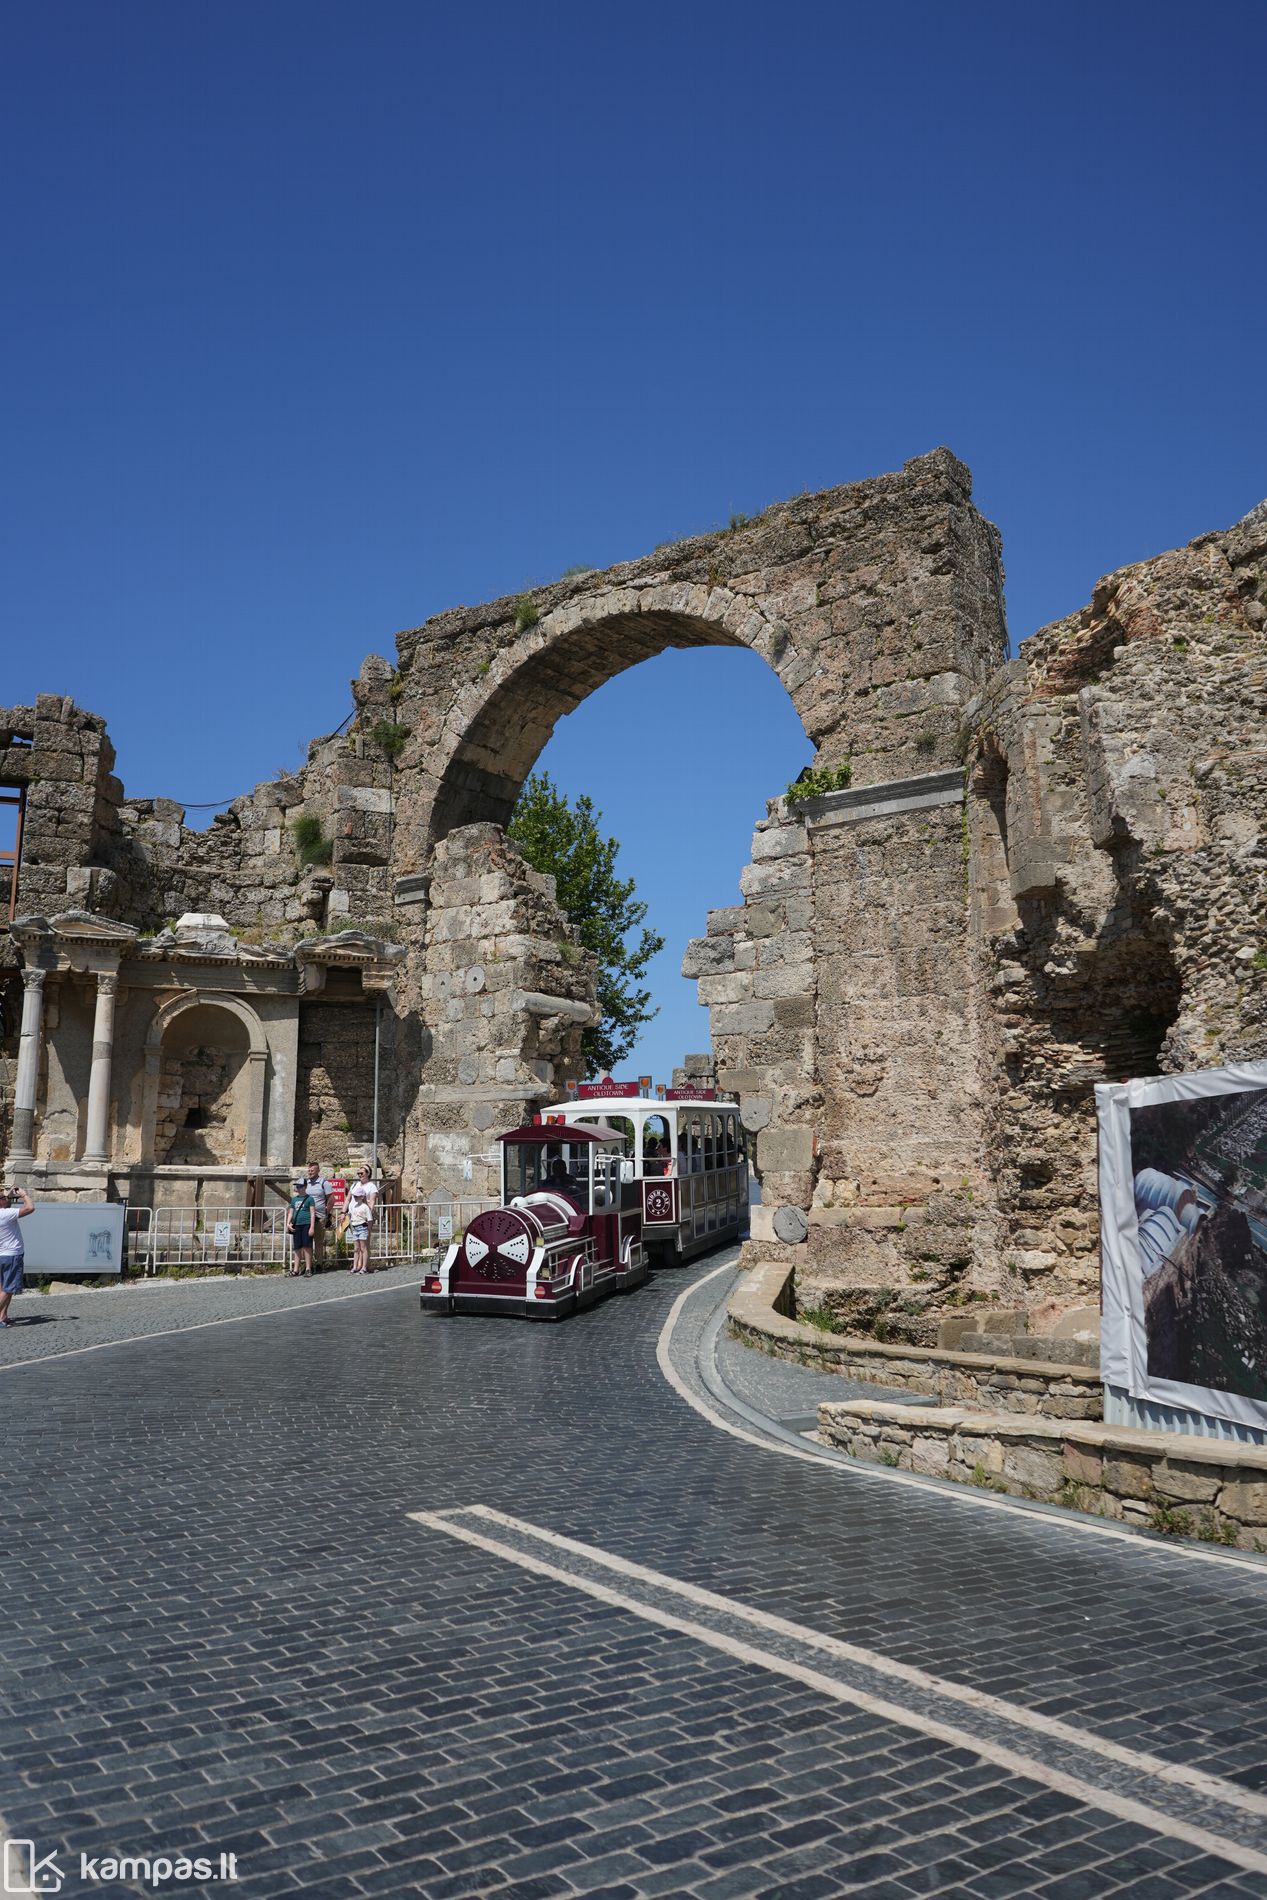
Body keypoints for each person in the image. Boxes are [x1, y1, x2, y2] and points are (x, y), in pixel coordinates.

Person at [0, 1184, 35, 1327]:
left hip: (1, 1255)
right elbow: (30, 1208)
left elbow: (6, 1203)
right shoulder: (5, 1214)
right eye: (4, 1197)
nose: (7, 1199)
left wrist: (7, 1195)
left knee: (2, 1288)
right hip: (12, 1255)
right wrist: (24, 1195)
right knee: (9, 1289)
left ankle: (2, 1317)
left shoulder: (5, 1213)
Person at [346, 1167, 378, 1273]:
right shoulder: (355, 1185)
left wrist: (367, 1215)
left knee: (364, 1245)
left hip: (363, 1219)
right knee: (356, 1245)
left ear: (368, 1173)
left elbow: (372, 1202)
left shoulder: (371, 1186)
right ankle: (358, 1265)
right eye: (358, 1173)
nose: (359, 1175)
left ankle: (363, 1265)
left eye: (362, 1173)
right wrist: (343, 1212)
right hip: (354, 1218)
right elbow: (348, 1199)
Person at [287, 1178, 315, 1276]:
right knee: (297, 1247)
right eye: (297, 1187)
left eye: (300, 1186)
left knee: (307, 1246)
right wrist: (288, 1223)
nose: (298, 1188)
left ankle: (308, 1268)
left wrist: (312, 1227)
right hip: (297, 1224)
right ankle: (295, 1269)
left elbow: (312, 1213)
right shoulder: (294, 1199)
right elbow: (291, 1212)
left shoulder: (310, 1199)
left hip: (306, 1224)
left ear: (305, 1187)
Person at [305, 1162, 331, 1268]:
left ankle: (319, 1264)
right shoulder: (306, 1183)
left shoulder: (324, 1183)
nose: (310, 1172)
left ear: (318, 1171)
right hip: (307, 1217)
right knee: (307, 1242)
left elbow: (331, 1199)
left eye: (312, 1170)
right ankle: (308, 1265)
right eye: (309, 1170)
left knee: (319, 1242)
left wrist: (327, 1212)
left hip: (319, 1216)